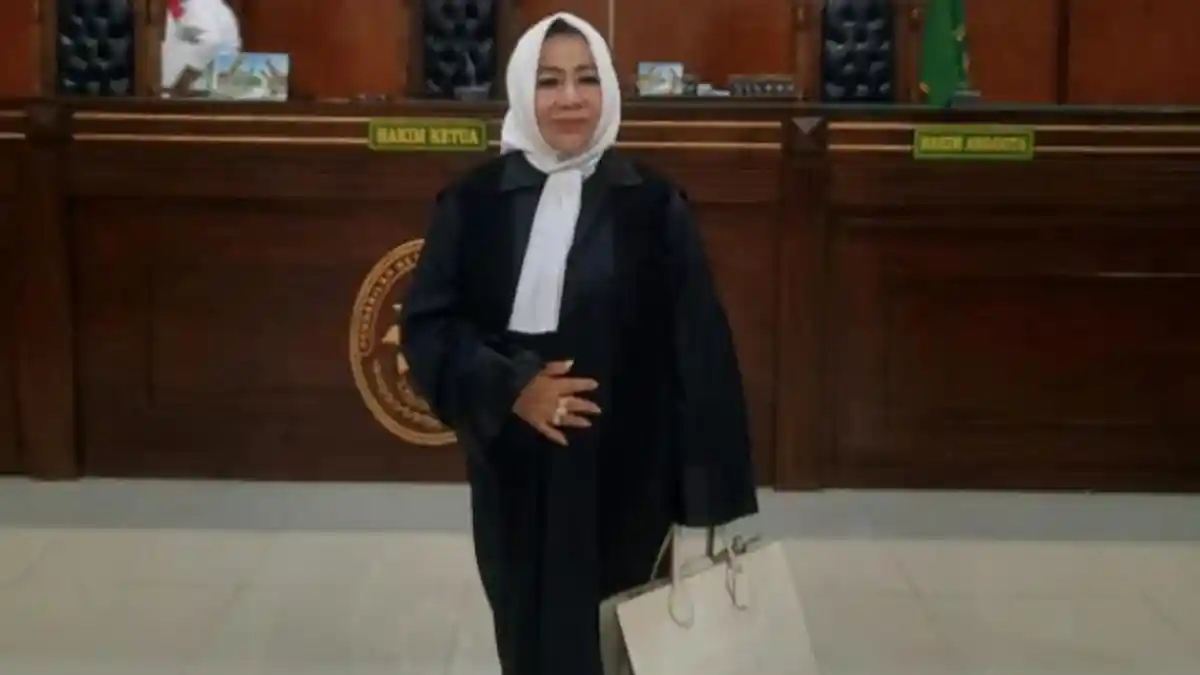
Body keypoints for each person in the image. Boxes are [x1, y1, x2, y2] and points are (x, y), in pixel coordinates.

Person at [399, 12, 758, 675]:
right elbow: (429, 327)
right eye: (549, 81)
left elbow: (700, 350)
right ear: (520, 90)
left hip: (630, 480)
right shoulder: (473, 203)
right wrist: (513, 388)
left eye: (587, 79)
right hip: (517, 477)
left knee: (620, 646)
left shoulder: (653, 204)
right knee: (529, 643)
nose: (570, 98)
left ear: (610, 90)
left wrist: (707, 500)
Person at [160, 0, 241, 96]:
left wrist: (185, 76)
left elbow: (210, 40)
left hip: (199, 82)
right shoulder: (218, 6)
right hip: (222, 78)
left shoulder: (196, 6)